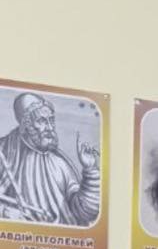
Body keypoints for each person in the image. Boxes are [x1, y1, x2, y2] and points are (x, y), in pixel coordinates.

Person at [0, 91, 100, 226]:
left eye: (51, 120)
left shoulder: (59, 164)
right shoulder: (4, 154)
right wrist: (6, 213)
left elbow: (84, 213)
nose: (50, 127)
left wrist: (90, 171)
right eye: (41, 121)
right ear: (25, 125)